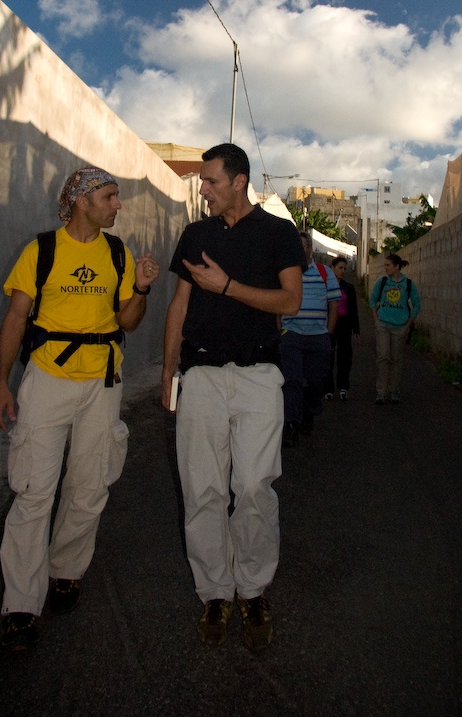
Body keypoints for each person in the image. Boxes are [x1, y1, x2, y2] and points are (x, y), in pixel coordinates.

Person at [0, 166, 160, 650]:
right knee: (33, 490)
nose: (118, 205)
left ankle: (66, 570)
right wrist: (1, 383)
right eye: (110, 197)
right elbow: (16, 317)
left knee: (90, 483)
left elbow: (128, 320)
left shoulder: (118, 253)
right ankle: (21, 605)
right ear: (82, 201)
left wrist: (141, 288)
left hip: (103, 382)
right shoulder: (41, 250)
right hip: (47, 381)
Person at [161, 144, 304, 651]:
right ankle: (215, 592)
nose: (203, 189)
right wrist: (168, 372)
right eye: (203, 182)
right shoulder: (195, 234)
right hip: (200, 374)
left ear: (239, 181)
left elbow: (291, 300)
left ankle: (253, 588)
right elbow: (179, 305)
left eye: (211, 181)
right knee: (202, 488)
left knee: (253, 485)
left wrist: (227, 287)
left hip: (259, 375)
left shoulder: (278, 232)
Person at [280, 232, 341, 446]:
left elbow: (334, 305)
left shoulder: (325, 273)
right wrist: (280, 331)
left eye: (304, 246)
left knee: (316, 381)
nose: (300, 250)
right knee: (292, 380)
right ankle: (291, 424)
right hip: (292, 335)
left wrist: (328, 332)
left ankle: (309, 412)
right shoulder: (286, 273)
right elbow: (277, 302)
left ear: (310, 249)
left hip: (318, 336)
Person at [369, 252, 420, 404]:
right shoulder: (382, 281)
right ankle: (381, 390)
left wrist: (408, 324)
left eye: (388, 265)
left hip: (400, 326)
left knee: (396, 359)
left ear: (397, 266)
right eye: (385, 265)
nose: (385, 268)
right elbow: (373, 300)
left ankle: (393, 390)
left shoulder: (408, 284)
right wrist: (376, 320)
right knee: (383, 356)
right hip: (383, 324)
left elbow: (417, 304)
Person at [327, 256, 360, 402]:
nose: (342, 271)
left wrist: (356, 328)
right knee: (328, 356)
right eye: (340, 268)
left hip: (344, 325)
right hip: (329, 324)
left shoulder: (349, 287)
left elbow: (353, 308)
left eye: (345, 268)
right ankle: (328, 388)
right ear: (333, 268)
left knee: (345, 357)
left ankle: (343, 387)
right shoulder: (326, 286)